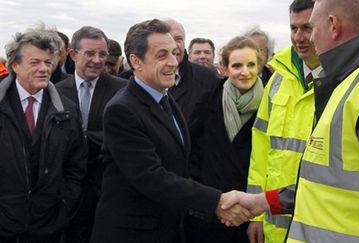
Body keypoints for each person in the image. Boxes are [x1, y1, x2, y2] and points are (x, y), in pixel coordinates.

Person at [224, 0, 359, 242]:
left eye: (312, 27)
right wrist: (263, 201)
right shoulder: (352, 83)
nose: (308, 39)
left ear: (333, 25)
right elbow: (326, 184)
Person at [90, 19, 251, 243]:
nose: (173, 62)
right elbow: (152, 177)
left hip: (167, 227)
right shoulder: (122, 110)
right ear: (136, 61)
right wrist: (216, 201)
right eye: (162, 55)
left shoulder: (165, 98)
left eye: (175, 53)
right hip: (133, 233)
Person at [0, 26, 87, 242]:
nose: (44, 69)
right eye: (35, 62)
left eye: (48, 62)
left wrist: (64, 205)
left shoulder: (66, 110)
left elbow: (76, 164)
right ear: (15, 65)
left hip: (48, 227)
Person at [246, 1, 320, 242]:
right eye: (293, 28)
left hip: (318, 223)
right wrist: (255, 215)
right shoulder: (278, 80)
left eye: (307, 28)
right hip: (273, 224)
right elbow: (261, 151)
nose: (299, 37)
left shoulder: (346, 79)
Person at [185, 36, 264, 243]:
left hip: (253, 215)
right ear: (224, 68)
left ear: (259, 67)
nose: (244, 72)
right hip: (211, 215)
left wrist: (260, 214)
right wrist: (206, 203)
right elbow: (191, 154)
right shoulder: (207, 101)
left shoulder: (272, 105)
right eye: (236, 65)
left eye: (250, 65)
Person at [55, 26, 127, 243]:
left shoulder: (122, 90)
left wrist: (86, 138)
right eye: (90, 53)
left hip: (107, 190)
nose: (98, 60)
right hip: (65, 191)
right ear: (73, 54)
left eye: (102, 54)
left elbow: (125, 136)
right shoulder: (55, 92)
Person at [164, 18, 220, 124]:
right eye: (169, 38)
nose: (175, 45)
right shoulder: (134, 80)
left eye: (178, 39)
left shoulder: (208, 79)